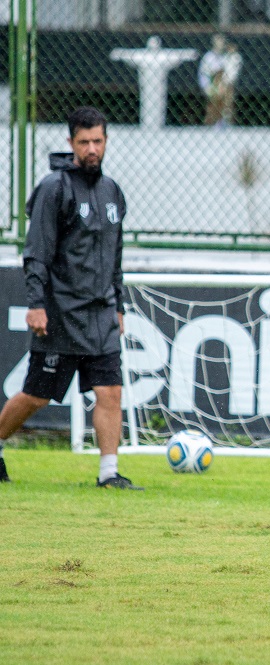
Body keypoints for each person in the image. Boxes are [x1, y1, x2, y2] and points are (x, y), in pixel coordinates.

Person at [0, 107, 141, 490]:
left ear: (107, 140)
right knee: (36, 397)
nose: (92, 149)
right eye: (84, 142)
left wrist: (120, 305)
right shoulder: (54, 188)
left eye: (98, 141)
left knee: (110, 392)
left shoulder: (112, 191)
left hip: (101, 316)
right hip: (61, 314)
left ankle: (109, 473)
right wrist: (36, 304)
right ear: (70, 143)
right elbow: (37, 252)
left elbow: (116, 255)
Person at [198, 34, 241, 127]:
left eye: (222, 42)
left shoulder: (228, 57)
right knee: (213, 106)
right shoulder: (208, 57)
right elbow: (203, 74)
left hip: (225, 86)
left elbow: (231, 73)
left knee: (227, 104)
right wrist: (206, 87)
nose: (221, 44)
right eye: (218, 42)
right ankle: (212, 123)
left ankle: (226, 123)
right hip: (212, 86)